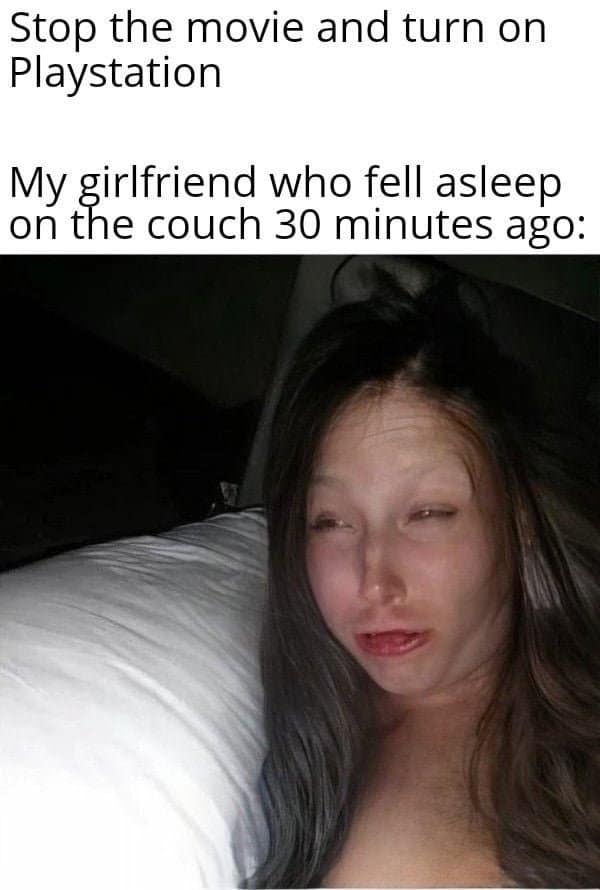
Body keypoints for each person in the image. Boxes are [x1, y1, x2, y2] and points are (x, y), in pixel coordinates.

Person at [248, 272, 600, 888]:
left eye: (428, 514)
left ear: (519, 516)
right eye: (330, 522)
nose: (374, 583)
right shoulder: (296, 693)